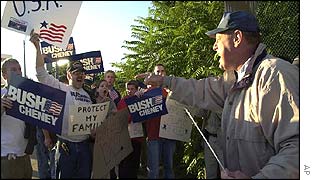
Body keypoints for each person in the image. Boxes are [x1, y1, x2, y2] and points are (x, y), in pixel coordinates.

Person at [139, 11, 299, 179]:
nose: (214, 47)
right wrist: (165, 81)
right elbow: (199, 89)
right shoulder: (234, 81)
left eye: (217, 40)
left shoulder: (274, 75)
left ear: (237, 38)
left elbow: (299, 149)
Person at [30, 30, 93, 178]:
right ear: (69, 75)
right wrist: (37, 47)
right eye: (76, 72)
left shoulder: (89, 96)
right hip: (66, 146)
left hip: (84, 146)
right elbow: (41, 73)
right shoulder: (61, 88)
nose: (80, 74)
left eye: (82, 72)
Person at [1, 58, 37, 179]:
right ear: (4, 75)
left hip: (25, 155)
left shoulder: (27, 96)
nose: (18, 72)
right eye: (13, 69)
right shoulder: (1, 93)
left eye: (20, 69)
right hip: (7, 157)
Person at [117, 80, 145, 178]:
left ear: (137, 90)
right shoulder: (122, 102)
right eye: (128, 89)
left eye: (132, 89)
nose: (129, 91)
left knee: (134, 164)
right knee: (124, 164)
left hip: (137, 138)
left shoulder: (142, 100)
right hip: (125, 138)